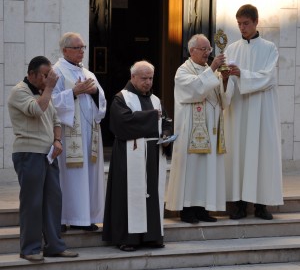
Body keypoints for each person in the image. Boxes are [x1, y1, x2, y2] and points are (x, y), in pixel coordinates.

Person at [8, 56, 78, 261]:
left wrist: (57, 140)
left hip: (48, 154)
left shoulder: (42, 92)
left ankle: (54, 246)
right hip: (28, 153)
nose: (49, 79)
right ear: (31, 74)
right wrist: (49, 89)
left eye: (50, 76)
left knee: (53, 201)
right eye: (45, 76)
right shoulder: (19, 91)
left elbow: (56, 119)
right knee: (32, 202)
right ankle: (29, 249)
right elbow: (37, 110)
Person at [102, 60, 172, 252]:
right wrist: (151, 117)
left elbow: (165, 121)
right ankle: (127, 238)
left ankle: (152, 237)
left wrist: (166, 136)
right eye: (144, 78)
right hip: (129, 155)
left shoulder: (156, 100)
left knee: (151, 195)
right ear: (133, 77)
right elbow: (121, 123)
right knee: (129, 195)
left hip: (152, 155)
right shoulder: (121, 98)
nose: (148, 82)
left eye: (150, 78)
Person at [224, 4, 283, 220]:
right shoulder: (231, 49)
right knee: (239, 153)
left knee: (262, 155)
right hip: (239, 109)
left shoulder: (269, 48)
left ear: (256, 22)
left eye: (246, 23)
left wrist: (243, 74)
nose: (242, 28)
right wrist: (225, 79)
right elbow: (228, 84)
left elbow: (268, 78)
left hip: (262, 109)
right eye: (239, 24)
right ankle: (238, 205)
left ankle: (261, 205)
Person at [165, 34, 231, 223]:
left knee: (207, 170)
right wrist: (213, 69)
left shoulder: (214, 73)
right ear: (191, 50)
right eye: (203, 49)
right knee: (192, 170)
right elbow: (195, 91)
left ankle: (203, 208)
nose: (207, 53)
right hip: (192, 131)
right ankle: (187, 210)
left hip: (212, 130)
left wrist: (225, 80)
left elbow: (224, 100)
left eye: (209, 49)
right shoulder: (183, 71)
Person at [52, 32, 107, 232]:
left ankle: (85, 218)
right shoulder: (57, 72)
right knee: (71, 178)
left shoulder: (88, 73)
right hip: (69, 136)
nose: (82, 51)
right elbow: (52, 102)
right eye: (77, 48)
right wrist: (74, 92)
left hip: (89, 133)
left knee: (88, 177)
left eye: (83, 47)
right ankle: (67, 217)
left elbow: (102, 101)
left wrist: (95, 93)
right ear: (65, 50)